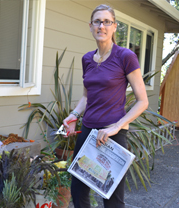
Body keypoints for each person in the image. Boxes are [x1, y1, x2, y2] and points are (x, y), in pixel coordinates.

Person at [63, 4, 149, 208]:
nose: (101, 26)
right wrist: (74, 115)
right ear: (90, 26)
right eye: (97, 22)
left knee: (111, 197)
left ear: (114, 26)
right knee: (78, 190)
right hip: (88, 132)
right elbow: (86, 95)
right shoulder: (87, 59)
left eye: (106, 22)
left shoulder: (125, 56)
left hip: (112, 135)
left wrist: (116, 126)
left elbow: (143, 101)